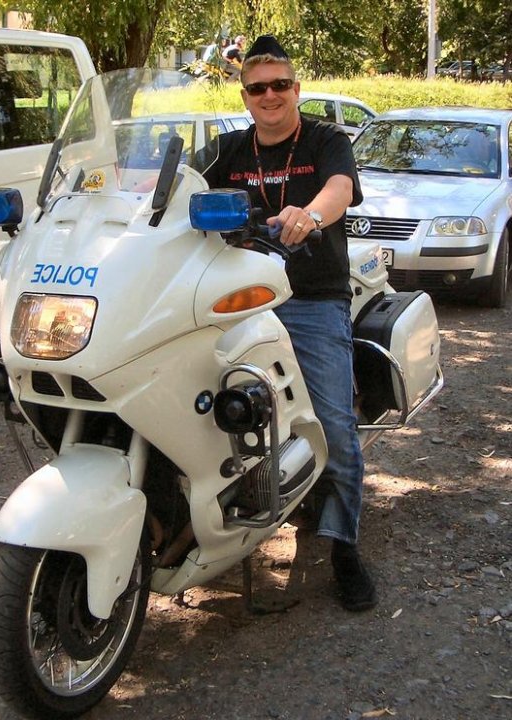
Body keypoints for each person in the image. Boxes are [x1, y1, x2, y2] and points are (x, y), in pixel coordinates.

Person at [202, 35, 377, 612]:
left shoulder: (326, 139)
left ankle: (342, 545)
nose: (270, 95)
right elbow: (174, 200)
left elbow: (339, 190)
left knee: (332, 423)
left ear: (296, 89)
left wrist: (311, 213)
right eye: (258, 88)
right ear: (245, 95)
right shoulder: (227, 151)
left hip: (311, 297)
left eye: (280, 84)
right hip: (238, 299)